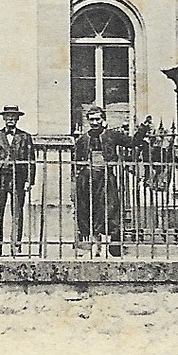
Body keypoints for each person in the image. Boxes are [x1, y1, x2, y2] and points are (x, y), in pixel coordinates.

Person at [74, 105, 129, 256]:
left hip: (106, 179)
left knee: (107, 211)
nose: (94, 122)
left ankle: (105, 248)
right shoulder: (82, 140)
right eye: (91, 120)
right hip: (87, 179)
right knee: (88, 211)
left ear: (103, 119)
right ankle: (93, 248)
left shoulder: (111, 135)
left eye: (97, 119)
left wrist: (143, 129)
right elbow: (76, 162)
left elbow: (132, 143)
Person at [0, 106, 36, 257]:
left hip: (18, 178)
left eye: (14, 116)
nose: (11, 119)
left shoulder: (25, 137)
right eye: (8, 116)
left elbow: (31, 160)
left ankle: (16, 246)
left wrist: (29, 180)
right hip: (0, 178)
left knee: (17, 213)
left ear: (18, 118)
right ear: (3, 118)